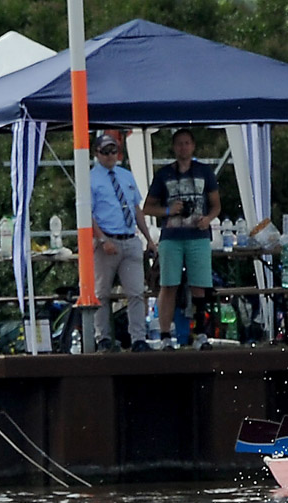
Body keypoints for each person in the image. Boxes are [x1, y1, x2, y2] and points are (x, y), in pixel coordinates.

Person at [145, 128, 222, 348]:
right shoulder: (164, 174)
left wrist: (207, 219)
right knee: (169, 284)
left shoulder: (205, 172)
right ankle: (165, 334)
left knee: (200, 285)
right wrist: (169, 210)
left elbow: (216, 205)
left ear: (193, 146)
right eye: (179, 143)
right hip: (171, 236)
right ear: (174, 147)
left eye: (187, 143)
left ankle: (200, 333)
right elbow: (148, 208)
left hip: (197, 235)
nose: (183, 147)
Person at [85, 135, 153, 351]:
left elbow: (136, 208)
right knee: (101, 293)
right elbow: (87, 213)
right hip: (107, 239)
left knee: (136, 292)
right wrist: (102, 239)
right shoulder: (90, 179)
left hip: (129, 238)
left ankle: (138, 339)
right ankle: (102, 338)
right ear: (97, 154)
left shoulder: (125, 176)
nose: (110, 156)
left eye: (113, 151)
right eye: (105, 152)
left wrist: (148, 238)